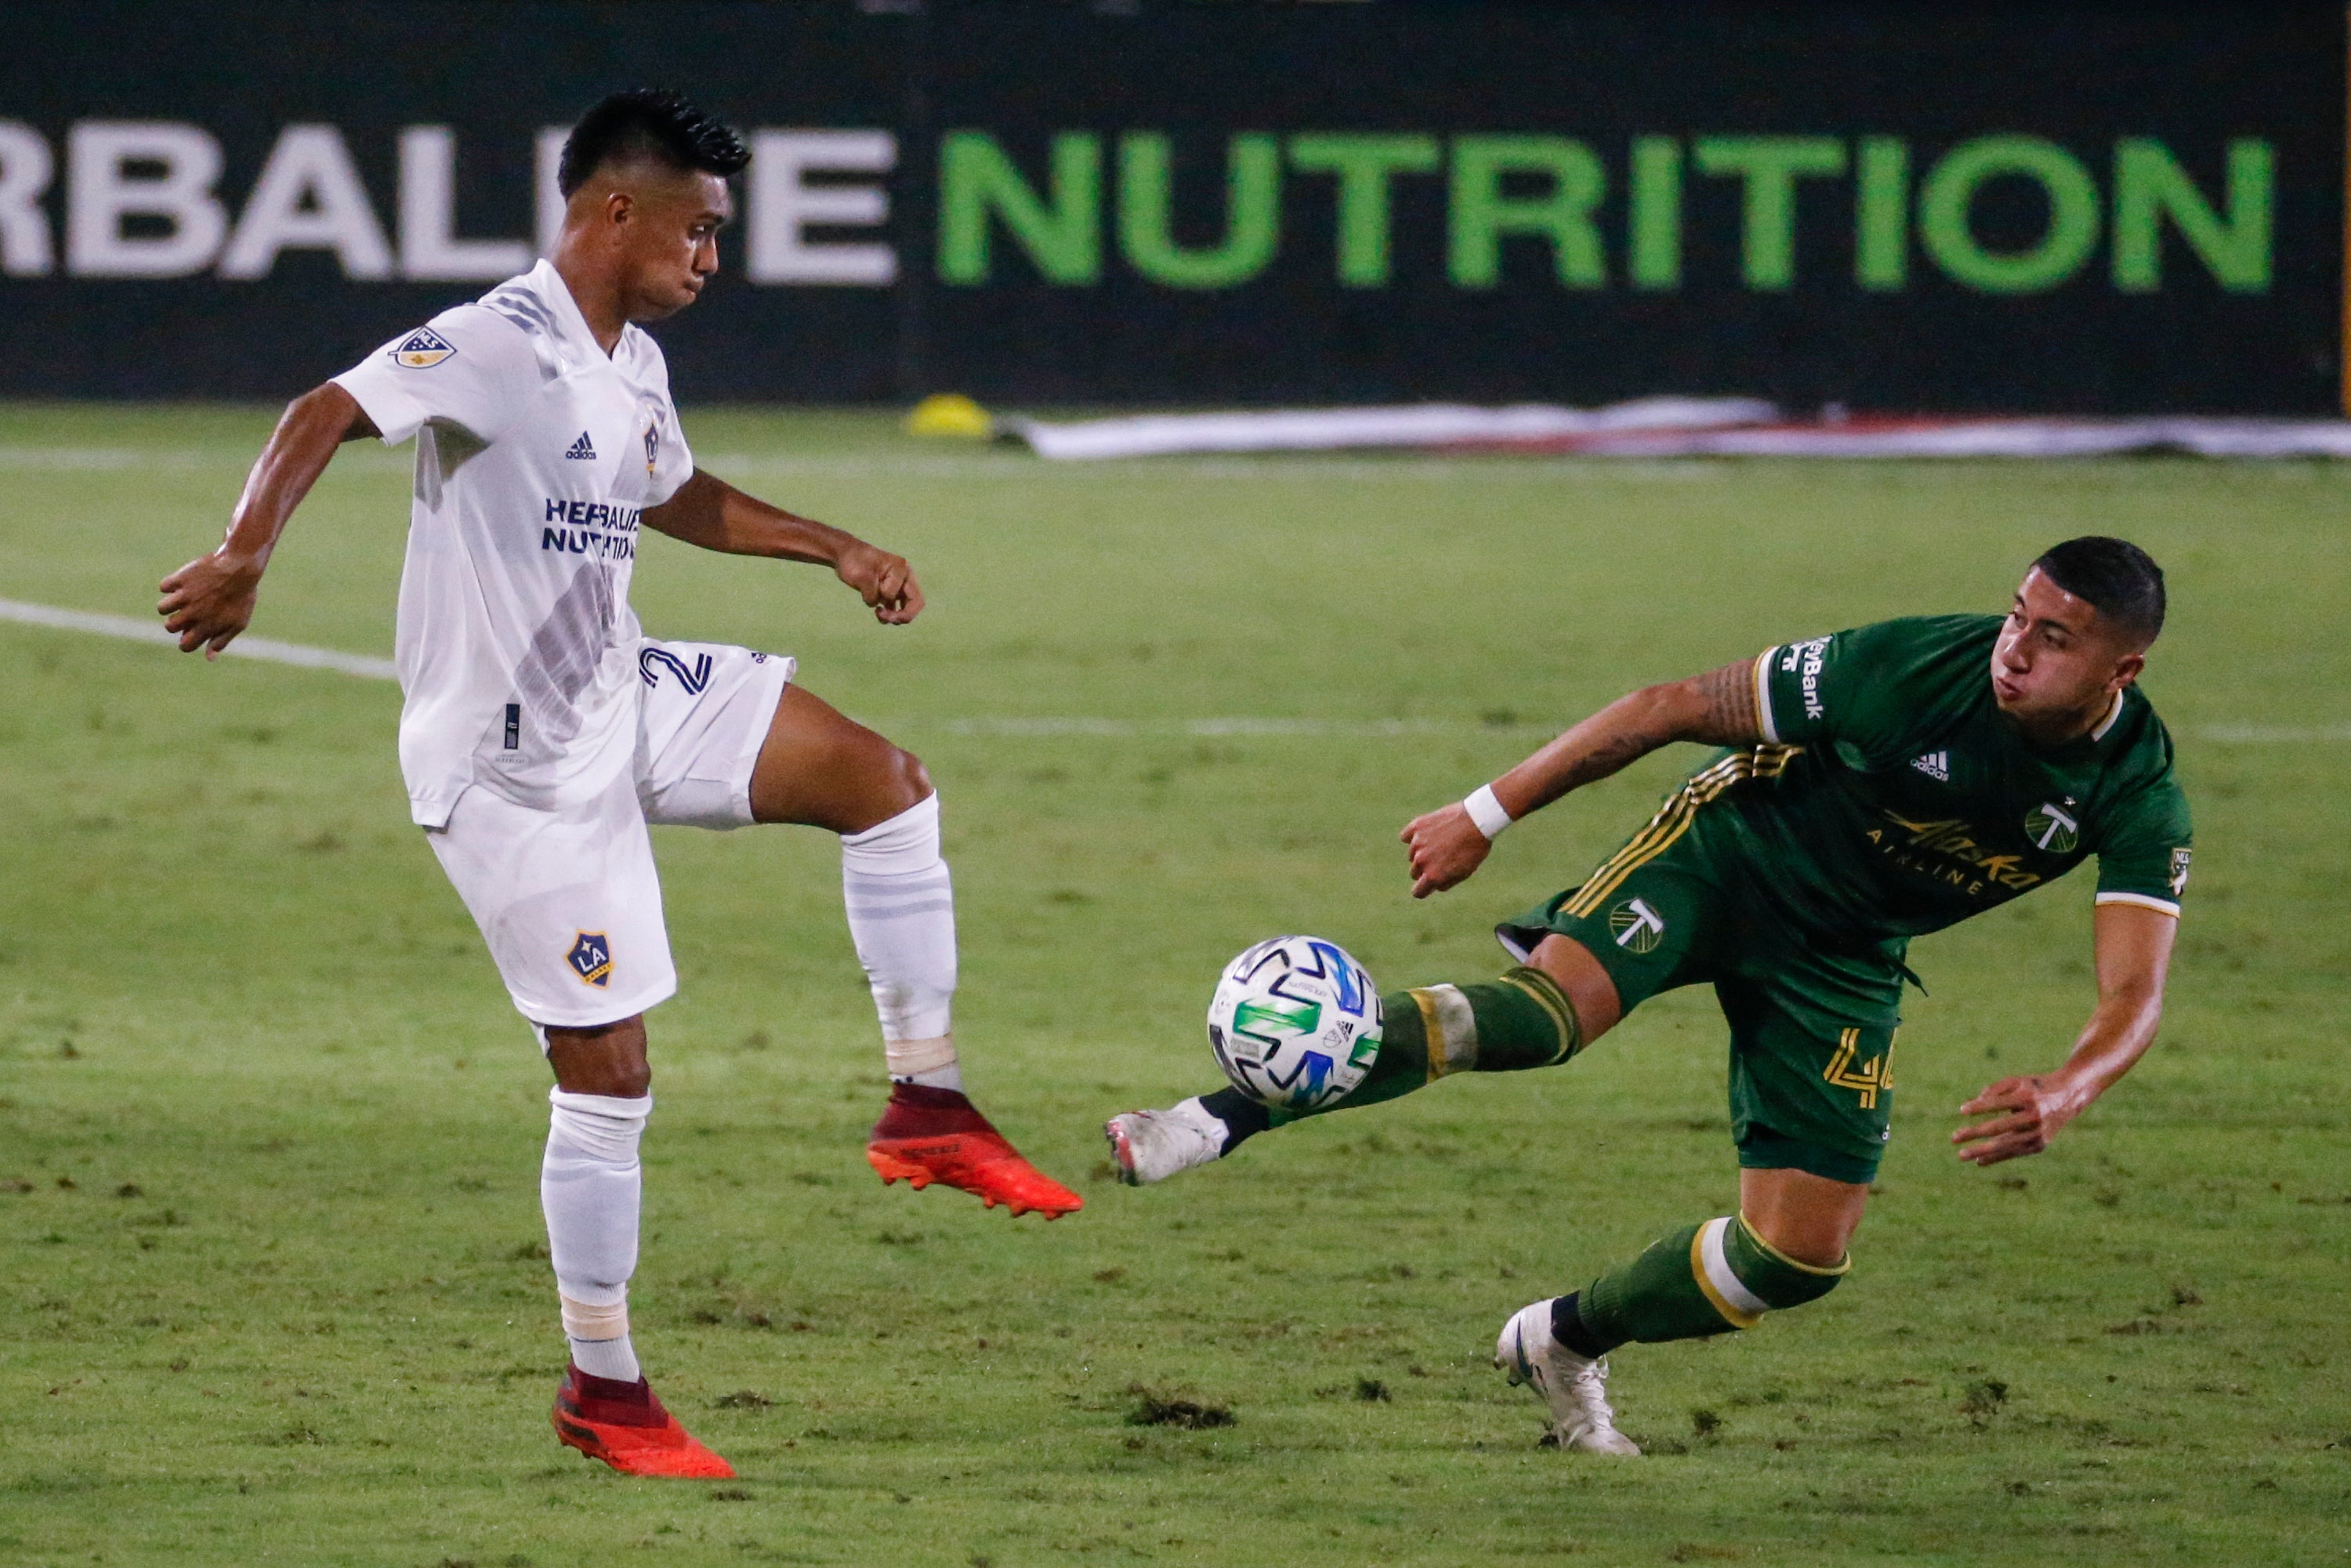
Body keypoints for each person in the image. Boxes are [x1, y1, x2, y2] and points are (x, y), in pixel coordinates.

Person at [158, 89, 1081, 1479]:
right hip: (509, 765)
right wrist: (243, 554)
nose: (716, 257)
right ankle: (604, 1384)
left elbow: (671, 490)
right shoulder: (498, 337)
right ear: (617, 212)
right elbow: (326, 407)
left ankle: (928, 1102)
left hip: (619, 690)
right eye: (703, 231)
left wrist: (834, 546)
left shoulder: (630, 359)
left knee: (884, 782)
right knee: (611, 1078)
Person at [1106, 538, 2190, 1455]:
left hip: (1845, 955)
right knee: (1537, 1021)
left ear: (2121, 668)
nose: (2017, 649)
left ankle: (1561, 1342)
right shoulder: (1908, 666)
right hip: (1728, 856)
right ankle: (1217, 1114)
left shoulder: (2137, 789)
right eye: (2018, 616)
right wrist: (1485, 813)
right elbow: (1668, 706)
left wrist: (2073, 1085)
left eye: (2057, 637)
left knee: (1793, 1259)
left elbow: (2135, 988)